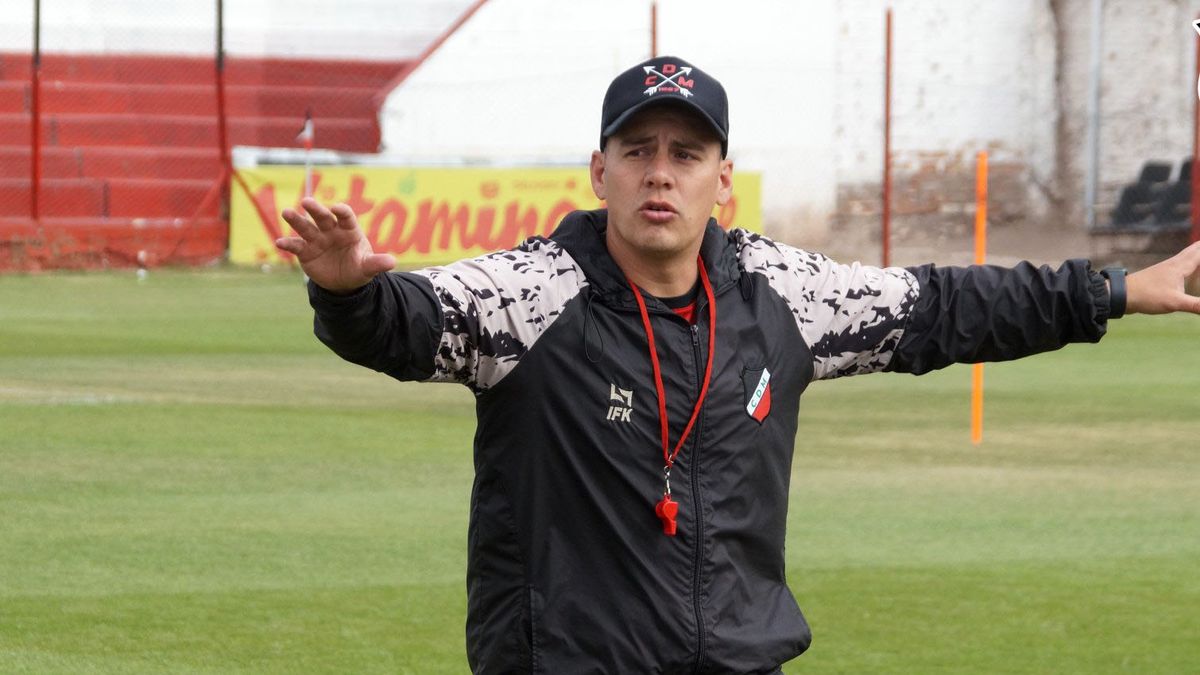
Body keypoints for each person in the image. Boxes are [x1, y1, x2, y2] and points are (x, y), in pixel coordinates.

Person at [277, 56, 1200, 674]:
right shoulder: (529, 293)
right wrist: (349, 294)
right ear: (599, 173)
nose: (660, 174)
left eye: (686, 153)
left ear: (723, 177)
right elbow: (408, 324)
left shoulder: (781, 294)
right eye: (637, 152)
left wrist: (1114, 290)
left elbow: (940, 309)